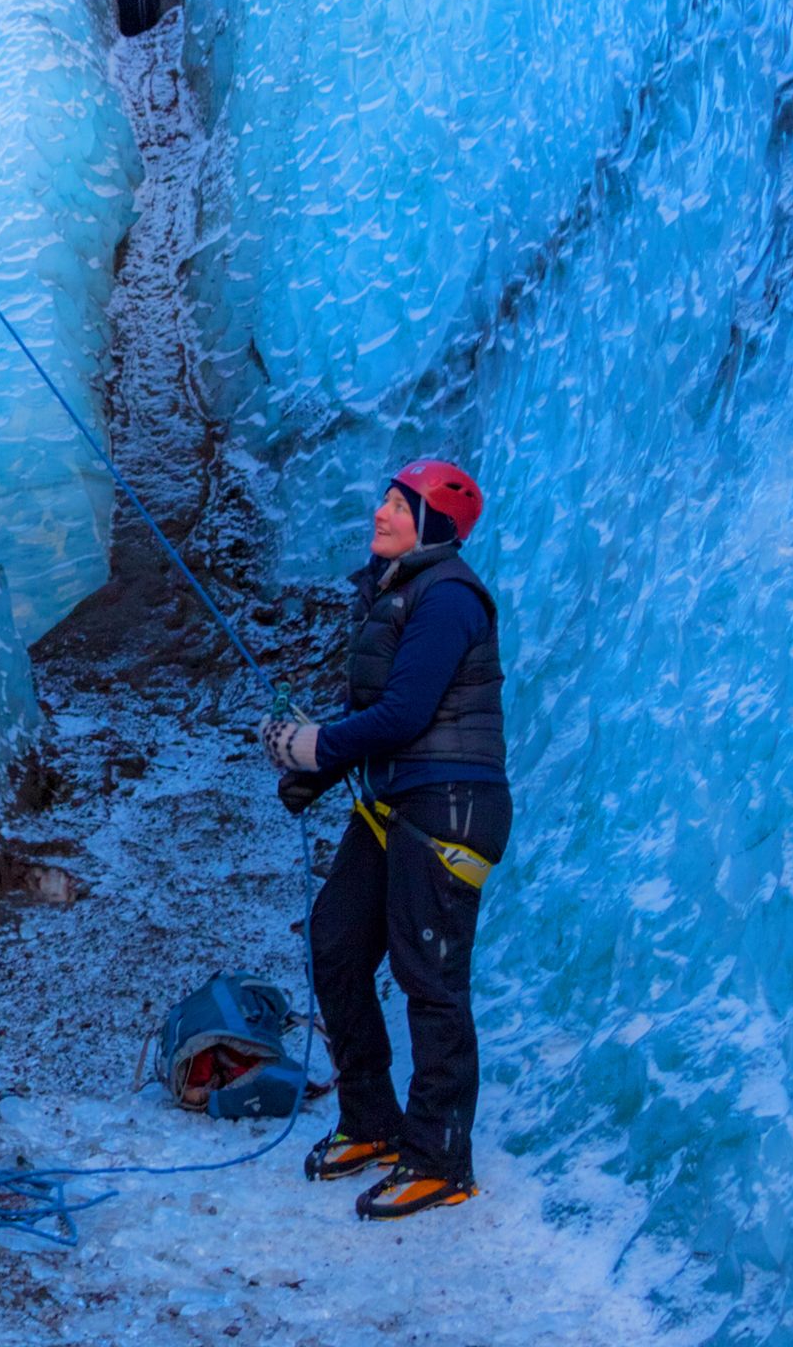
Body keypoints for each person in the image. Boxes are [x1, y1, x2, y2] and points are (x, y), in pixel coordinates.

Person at [262, 457, 508, 1220]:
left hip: (449, 810)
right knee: (335, 943)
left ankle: (440, 1158)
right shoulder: (400, 594)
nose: (380, 512)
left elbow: (404, 714)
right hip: (395, 804)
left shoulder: (447, 598)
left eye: (398, 504)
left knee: (429, 977)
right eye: (385, 500)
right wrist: (324, 770)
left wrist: (316, 748)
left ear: (433, 523)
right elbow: (385, 720)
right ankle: (371, 1121)